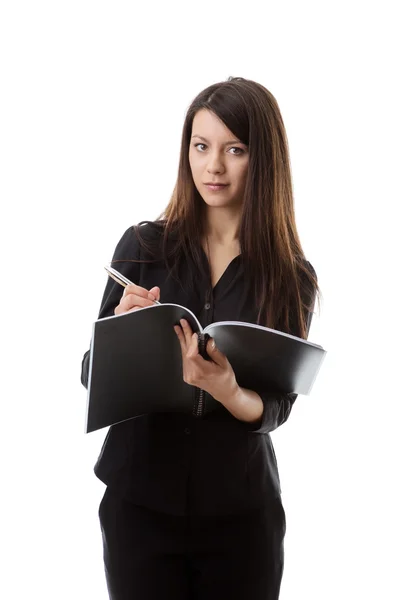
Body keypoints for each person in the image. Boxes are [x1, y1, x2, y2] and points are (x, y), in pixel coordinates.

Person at [81, 76, 320, 600]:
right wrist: (121, 331)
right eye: (201, 146)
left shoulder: (289, 276)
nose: (213, 166)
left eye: (234, 150)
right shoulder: (143, 246)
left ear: (264, 160)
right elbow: (88, 375)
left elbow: (278, 405)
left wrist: (229, 392)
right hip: (138, 508)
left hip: (241, 517)